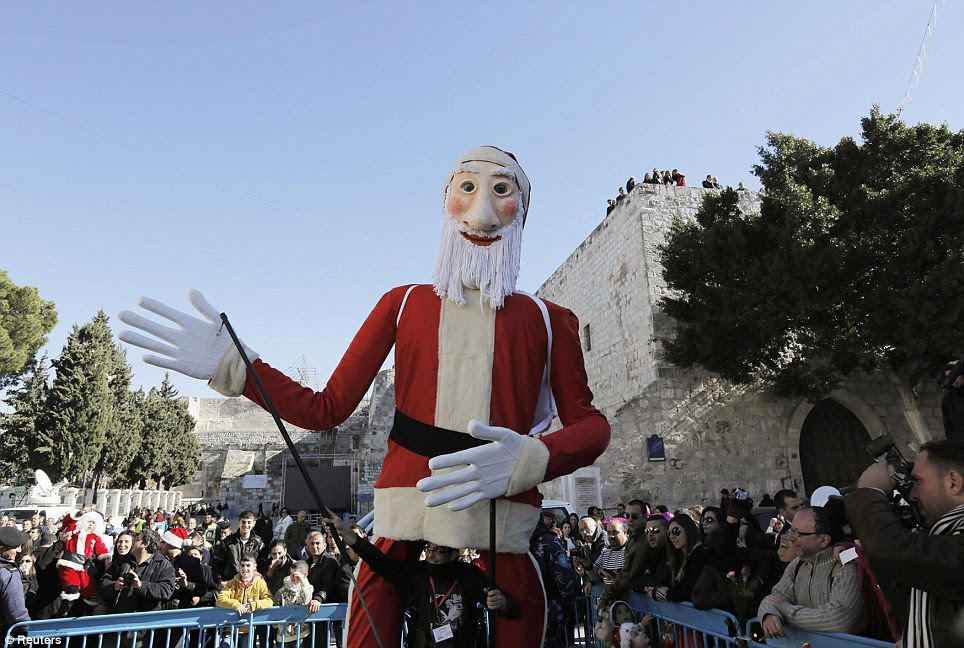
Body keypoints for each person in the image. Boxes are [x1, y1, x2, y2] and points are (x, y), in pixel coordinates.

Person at [119, 146, 610, 648]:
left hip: (502, 511)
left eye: (501, 191)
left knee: (521, 615)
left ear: (522, 211)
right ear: (447, 202)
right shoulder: (403, 305)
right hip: (405, 504)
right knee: (369, 624)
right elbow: (324, 408)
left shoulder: (550, 320)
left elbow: (592, 428)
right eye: (467, 188)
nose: (482, 213)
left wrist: (529, 460)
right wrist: (239, 369)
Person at [324, 513, 518, 648]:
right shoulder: (416, 574)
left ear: (453, 554)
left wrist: (502, 603)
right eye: (429, 549)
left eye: (438, 551)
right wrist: (347, 534)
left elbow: (504, 605)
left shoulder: (470, 575)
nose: (431, 555)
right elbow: (379, 561)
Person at [846, 439, 964, 647]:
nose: (913, 494)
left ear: (953, 482)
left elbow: (895, 552)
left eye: (918, 482)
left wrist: (871, 492)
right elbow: (902, 578)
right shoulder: (941, 536)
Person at [757, 507, 866, 637]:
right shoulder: (798, 564)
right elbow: (773, 599)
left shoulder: (845, 566)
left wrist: (783, 609)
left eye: (798, 533)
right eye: (792, 530)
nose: (790, 537)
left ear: (824, 540)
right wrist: (768, 615)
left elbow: (839, 620)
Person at [530, 512, 580, 648]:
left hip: (525, 613)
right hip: (549, 609)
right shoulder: (548, 542)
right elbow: (565, 579)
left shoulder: (514, 545)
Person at [99, 529, 176, 614]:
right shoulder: (122, 561)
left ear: (145, 544)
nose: (133, 542)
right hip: (117, 618)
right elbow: (103, 583)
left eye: (138, 539)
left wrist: (141, 586)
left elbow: (166, 590)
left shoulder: (163, 565)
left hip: (143, 621)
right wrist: (115, 586)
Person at [648, 515, 707, 603]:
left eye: (676, 531)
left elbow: (689, 591)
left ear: (688, 530)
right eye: (669, 533)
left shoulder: (700, 555)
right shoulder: (679, 557)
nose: (671, 536)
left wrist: (665, 594)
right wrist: (657, 590)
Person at [212, 511, 265, 585]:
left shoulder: (259, 543)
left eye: (249, 522)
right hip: (230, 582)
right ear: (239, 523)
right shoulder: (227, 542)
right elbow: (216, 563)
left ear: (254, 524)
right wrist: (219, 581)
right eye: (243, 522)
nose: (246, 525)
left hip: (251, 583)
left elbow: (262, 564)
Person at [273, 560, 314, 644]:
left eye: (295, 575)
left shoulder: (308, 588)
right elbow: (276, 601)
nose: (292, 577)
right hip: (283, 631)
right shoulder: (285, 587)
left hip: (300, 631)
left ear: (305, 575)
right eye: (291, 573)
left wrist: (303, 584)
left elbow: (305, 601)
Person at [0, 526, 30, 638]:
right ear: (2, 548)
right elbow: (16, 613)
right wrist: (23, 633)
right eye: (15, 547)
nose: (19, 550)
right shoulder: (8, 573)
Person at [941, 361, 964, 442]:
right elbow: (948, 426)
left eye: (955, 375)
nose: (953, 380)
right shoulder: (947, 400)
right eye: (949, 377)